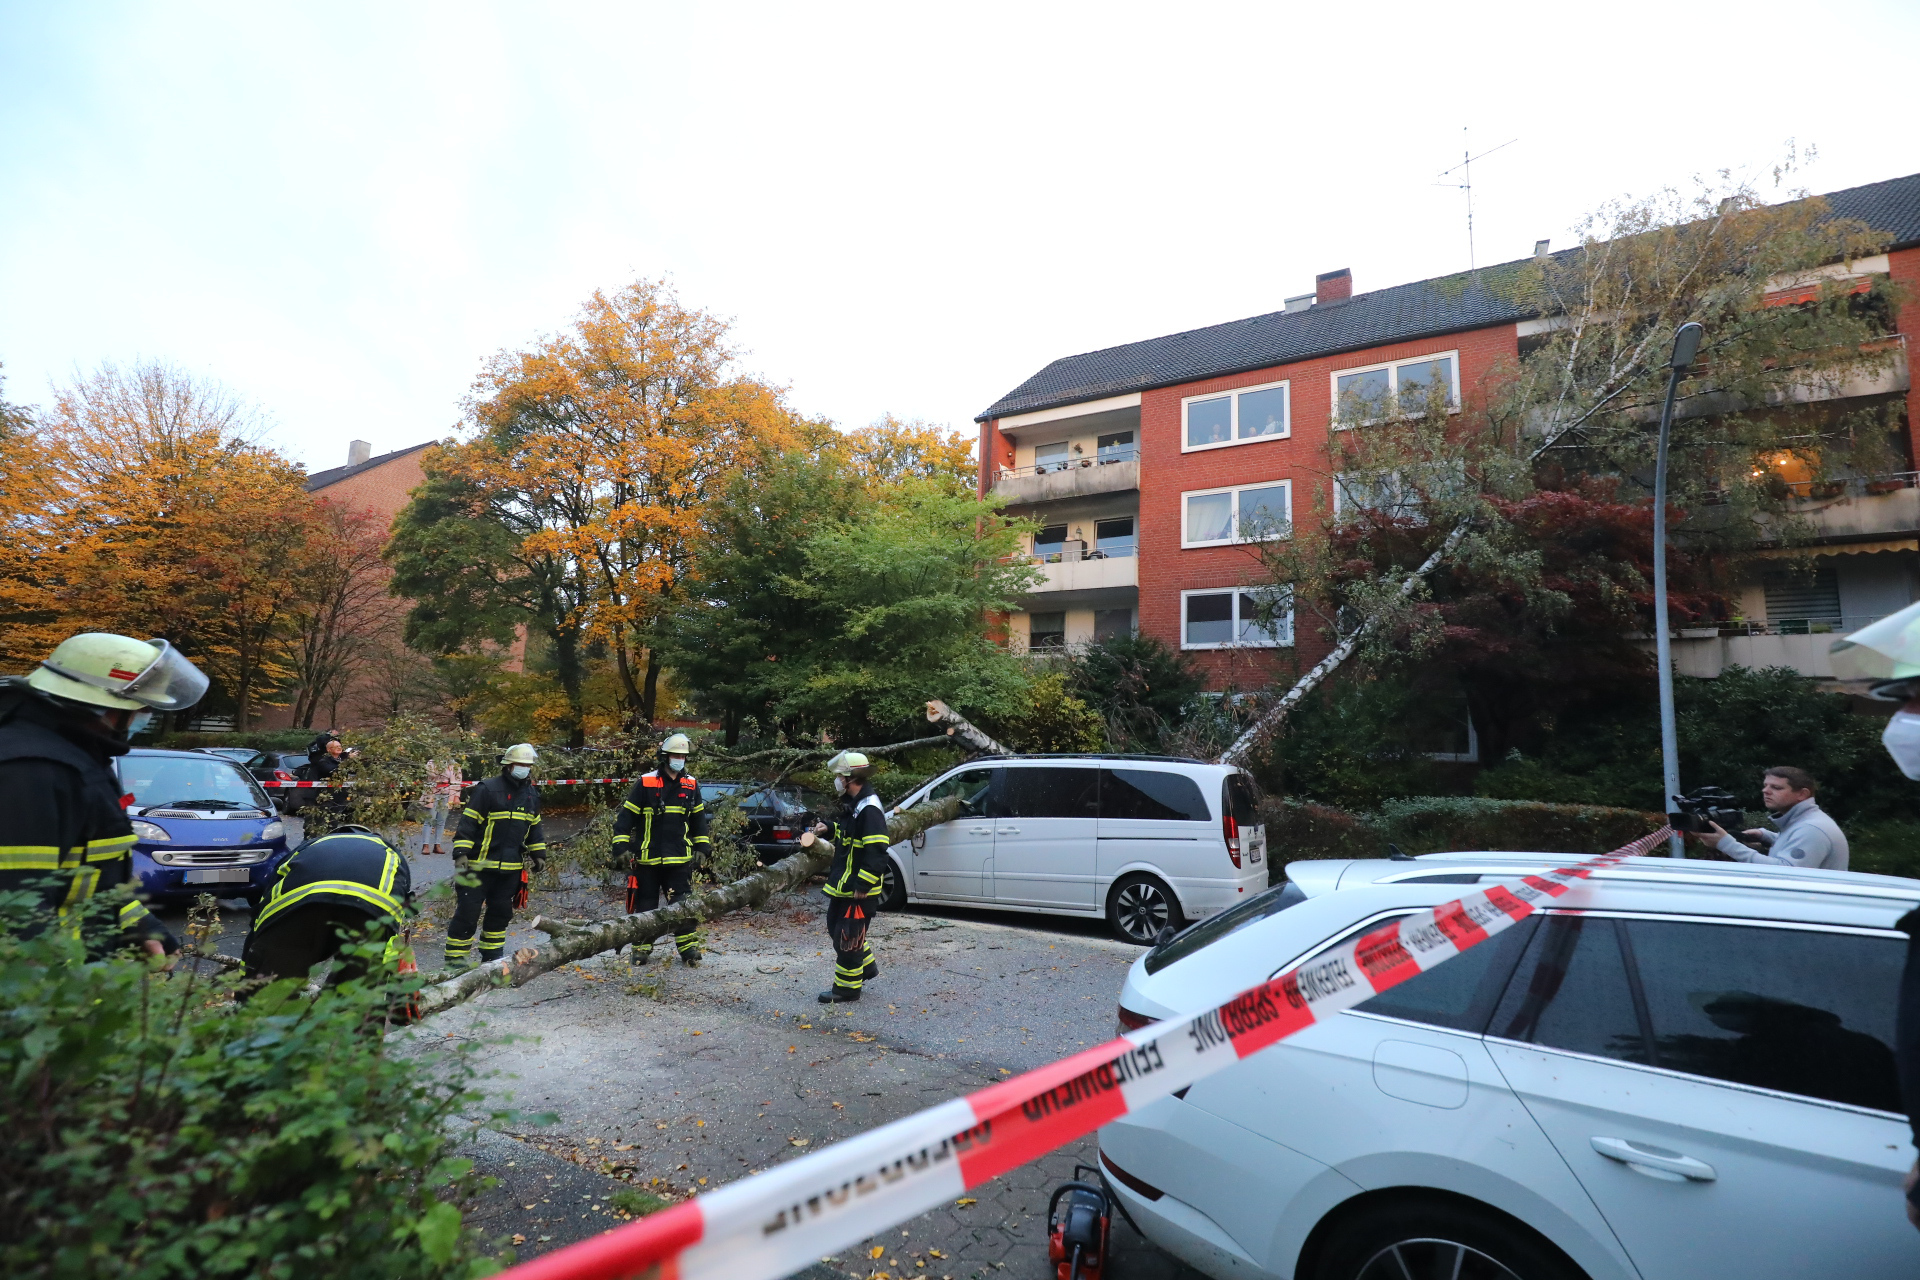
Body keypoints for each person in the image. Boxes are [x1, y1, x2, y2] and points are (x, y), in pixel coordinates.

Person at [0, 632, 205, 959]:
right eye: (139, 707)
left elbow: (89, 881)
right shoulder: (29, 770)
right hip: (45, 995)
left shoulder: (79, 758)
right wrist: (49, 997)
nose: (143, 715)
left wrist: (139, 926)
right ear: (101, 706)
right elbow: (15, 906)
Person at [241, 825, 412, 989]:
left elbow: (260, 912)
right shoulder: (390, 853)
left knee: (267, 990)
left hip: (298, 907)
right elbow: (396, 922)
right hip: (369, 911)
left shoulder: (308, 847)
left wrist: (247, 970)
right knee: (356, 996)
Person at [444, 743, 546, 968]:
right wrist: (461, 853)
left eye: (528, 766)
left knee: (500, 914)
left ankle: (492, 958)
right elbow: (468, 822)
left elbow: (534, 827)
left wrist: (539, 853)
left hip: (509, 870)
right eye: (520, 765)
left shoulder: (531, 795)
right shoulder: (488, 789)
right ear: (508, 765)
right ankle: (455, 961)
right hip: (477, 866)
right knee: (467, 914)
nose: (524, 769)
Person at [613, 732, 709, 966]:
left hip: (679, 858)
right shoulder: (646, 783)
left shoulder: (691, 784)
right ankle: (641, 950)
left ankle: (688, 950)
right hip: (648, 859)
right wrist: (620, 847)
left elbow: (699, 820)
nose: (680, 760)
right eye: (676, 755)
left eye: (683, 756)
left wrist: (703, 846)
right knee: (646, 906)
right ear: (665, 757)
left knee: (683, 906)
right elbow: (625, 818)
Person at [810, 750, 888, 1004]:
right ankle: (866, 968)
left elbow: (876, 850)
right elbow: (849, 837)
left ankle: (846, 989)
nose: (836, 781)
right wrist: (829, 828)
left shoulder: (869, 809)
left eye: (838, 777)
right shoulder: (854, 805)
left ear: (849, 779)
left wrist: (863, 883)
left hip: (858, 887)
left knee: (848, 936)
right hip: (844, 884)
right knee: (836, 927)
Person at [1689, 766, 1848, 870]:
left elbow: (1784, 872)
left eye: (1776, 787)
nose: (1766, 791)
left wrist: (1725, 843)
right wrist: (1766, 836)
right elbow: (1794, 842)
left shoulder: (1812, 829)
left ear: (1802, 794)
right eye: (1765, 785)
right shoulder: (1805, 822)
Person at [420, 757, 462, 856]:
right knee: (430, 819)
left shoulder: (455, 765)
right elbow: (432, 774)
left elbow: (457, 782)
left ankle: (437, 845)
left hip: (447, 795)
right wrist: (442, 766)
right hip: (433, 794)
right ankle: (425, 845)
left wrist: (456, 796)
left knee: (441, 821)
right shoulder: (432, 762)